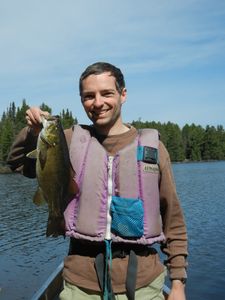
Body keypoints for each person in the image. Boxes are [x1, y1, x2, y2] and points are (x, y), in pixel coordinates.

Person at [7, 62, 188, 300]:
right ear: (81, 100)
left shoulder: (153, 149)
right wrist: (31, 132)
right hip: (81, 284)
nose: (98, 102)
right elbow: (19, 163)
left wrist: (177, 283)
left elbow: (172, 219)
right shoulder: (68, 139)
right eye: (89, 96)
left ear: (123, 95)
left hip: (144, 283)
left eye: (107, 93)